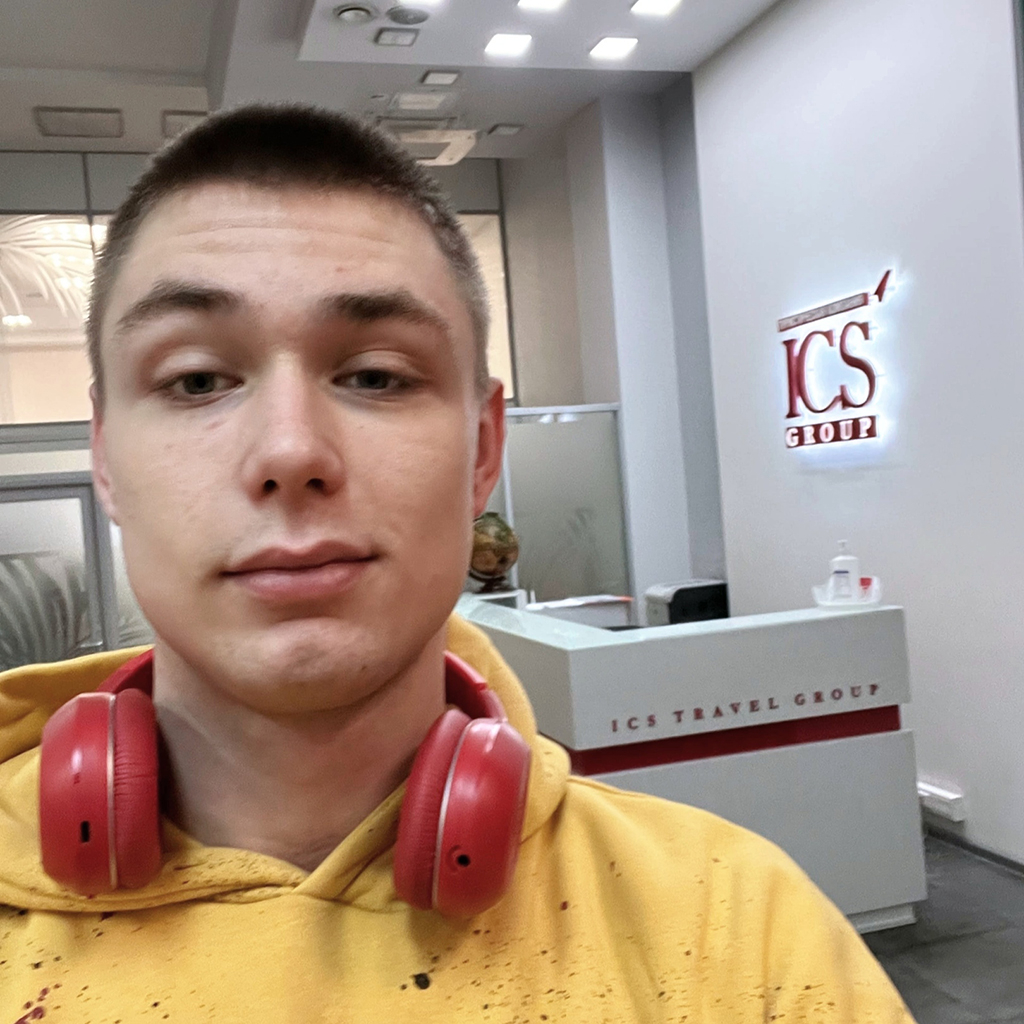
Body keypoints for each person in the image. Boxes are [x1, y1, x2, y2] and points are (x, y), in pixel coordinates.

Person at [0, 104, 914, 1022]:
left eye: (375, 376)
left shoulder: (736, 929)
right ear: (105, 457)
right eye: (197, 380)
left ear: (484, 450)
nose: (290, 451)